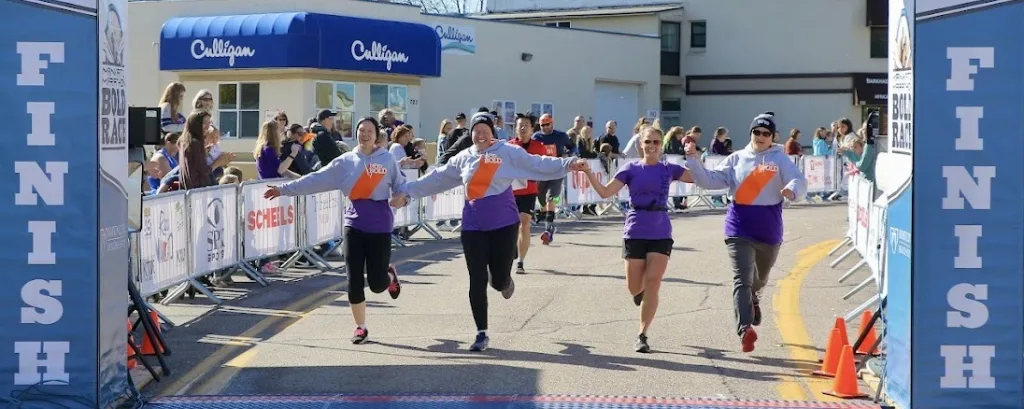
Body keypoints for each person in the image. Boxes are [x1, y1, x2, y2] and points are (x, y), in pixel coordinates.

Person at [390, 114, 587, 352]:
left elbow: (538, 163)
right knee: (476, 278)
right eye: (476, 130)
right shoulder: (464, 158)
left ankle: (505, 279)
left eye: (485, 130)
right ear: (471, 133)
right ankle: (481, 333)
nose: (480, 134)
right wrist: (407, 192)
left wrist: (568, 163)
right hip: (473, 225)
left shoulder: (508, 152)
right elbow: (437, 179)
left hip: (504, 224)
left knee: (498, 281)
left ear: (492, 132)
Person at [263, 116, 404, 345]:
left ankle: (388, 275)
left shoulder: (387, 160)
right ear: (356, 134)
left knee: (377, 285)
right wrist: (284, 190)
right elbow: (316, 179)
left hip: (380, 227)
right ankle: (361, 327)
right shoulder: (346, 161)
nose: (365, 134)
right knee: (353, 280)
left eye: (369, 130)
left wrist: (402, 198)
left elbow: (401, 186)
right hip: (354, 225)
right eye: (361, 130)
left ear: (376, 135)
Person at [681, 113, 807, 353]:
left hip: (769, 228)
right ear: (750, 134)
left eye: (765, 133)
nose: (760, 137)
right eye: (756, 132)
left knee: (759, 280)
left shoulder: (780, 159)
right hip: (738, 225)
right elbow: (710, 180)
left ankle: (755, 298)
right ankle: (745, 329)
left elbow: (798, 180)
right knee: (742, 279)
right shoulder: (736, 158)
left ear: (773, 137)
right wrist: (693, 160)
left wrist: (792, 190)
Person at [582, 125, 694, 353]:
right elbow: (604, 193)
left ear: (661, 145)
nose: (651, 146)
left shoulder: (669, 168)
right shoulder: (630, 168)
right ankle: (640, 295)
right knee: (634, 287)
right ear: (640, 145)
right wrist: (587, 172)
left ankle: (642, 334)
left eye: (655, 142)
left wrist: (692, 156)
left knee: (653, 282)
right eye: (647, 142)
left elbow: (698, 177)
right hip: (635, 230)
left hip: (660, 231)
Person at [506, 113, 549, 274]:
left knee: (525, 222)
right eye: (520, 125)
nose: (522, 128)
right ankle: (513, 251)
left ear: (532, 129)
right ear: (515, 128)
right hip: (510, 192)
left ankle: (520, 261)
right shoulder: (508, 147)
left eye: (526, 125)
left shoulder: (539, 147)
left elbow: (544, 168)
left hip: (529, 192)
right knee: (512, 225)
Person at [532, 113, 574, 245]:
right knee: (540, 197)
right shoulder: (536, 137)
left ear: (552, 123)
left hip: (557, 172)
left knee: (552, 198)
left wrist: (568, 154)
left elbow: (573, 146)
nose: (545, 127)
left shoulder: (561, 136)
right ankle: (547, 219)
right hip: (542, 172)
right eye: (542, 125)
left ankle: (548, 229)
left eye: (547, 124)